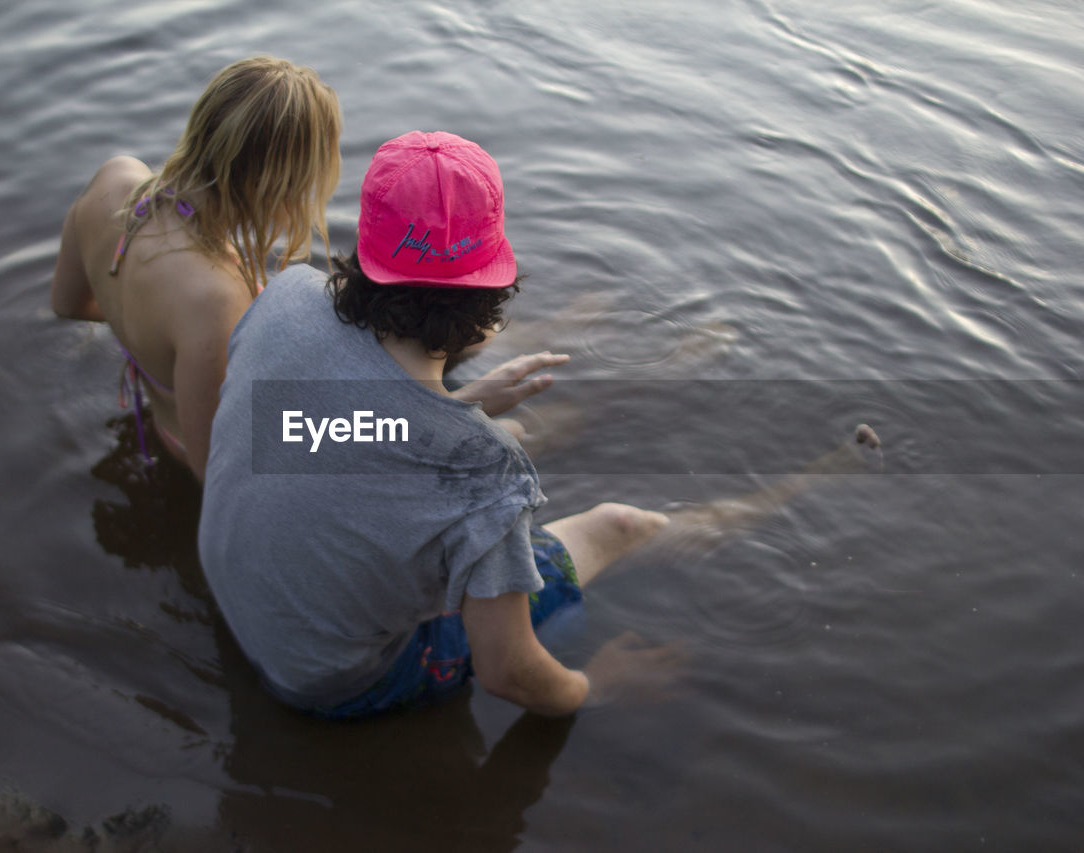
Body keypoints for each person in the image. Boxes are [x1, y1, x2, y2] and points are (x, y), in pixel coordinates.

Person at [199, 131, 877, 718]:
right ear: (489, 292)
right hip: (330, 683)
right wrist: (596, 685)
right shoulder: (483, 475)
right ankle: (803, 482)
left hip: (242, 604)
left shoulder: (284, 296)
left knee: (505, 449)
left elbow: (302, 431)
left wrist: (459, 411)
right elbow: (507, 670)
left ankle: (661, 375)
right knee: (621, 523)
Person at [50, 56, 342, 481]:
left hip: (161, 420)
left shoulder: (115, 180)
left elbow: (66, 304)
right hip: (194, 456)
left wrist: (150, 336)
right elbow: (217, 475)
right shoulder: (214, 298)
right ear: (281, 184)